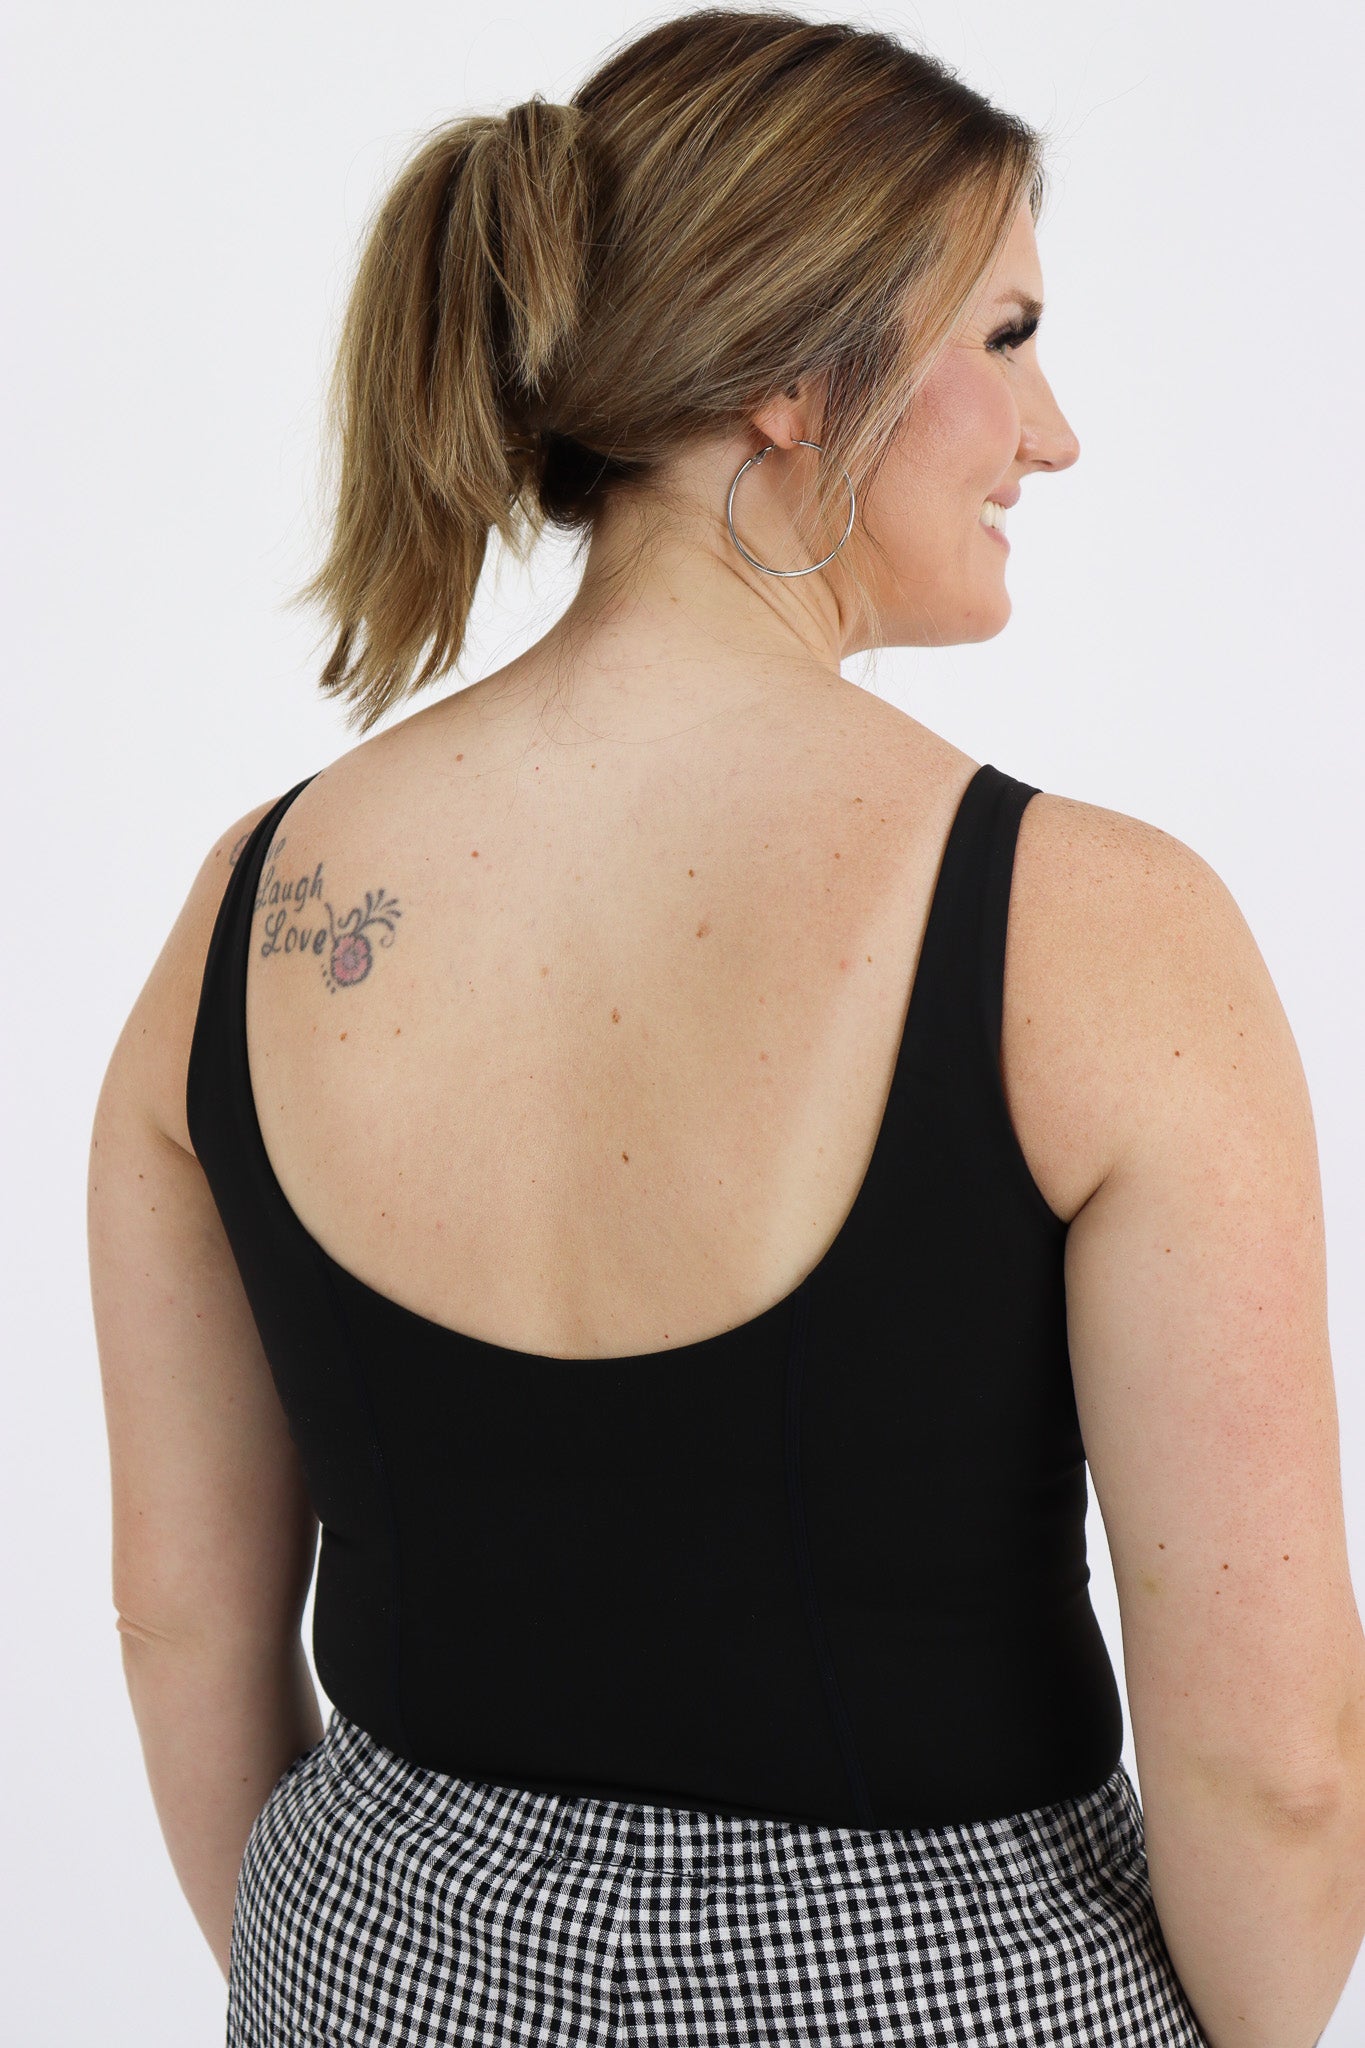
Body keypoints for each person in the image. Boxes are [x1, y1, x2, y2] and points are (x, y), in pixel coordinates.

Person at [87, 9, 1365, 2045]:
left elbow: (179, 1623)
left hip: (367, 1960)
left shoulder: (252, 912)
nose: (1050, 436)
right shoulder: (1095, 934)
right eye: (1008, 334)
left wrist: (357, 1980)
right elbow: (1272, 1766)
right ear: (787, 375)